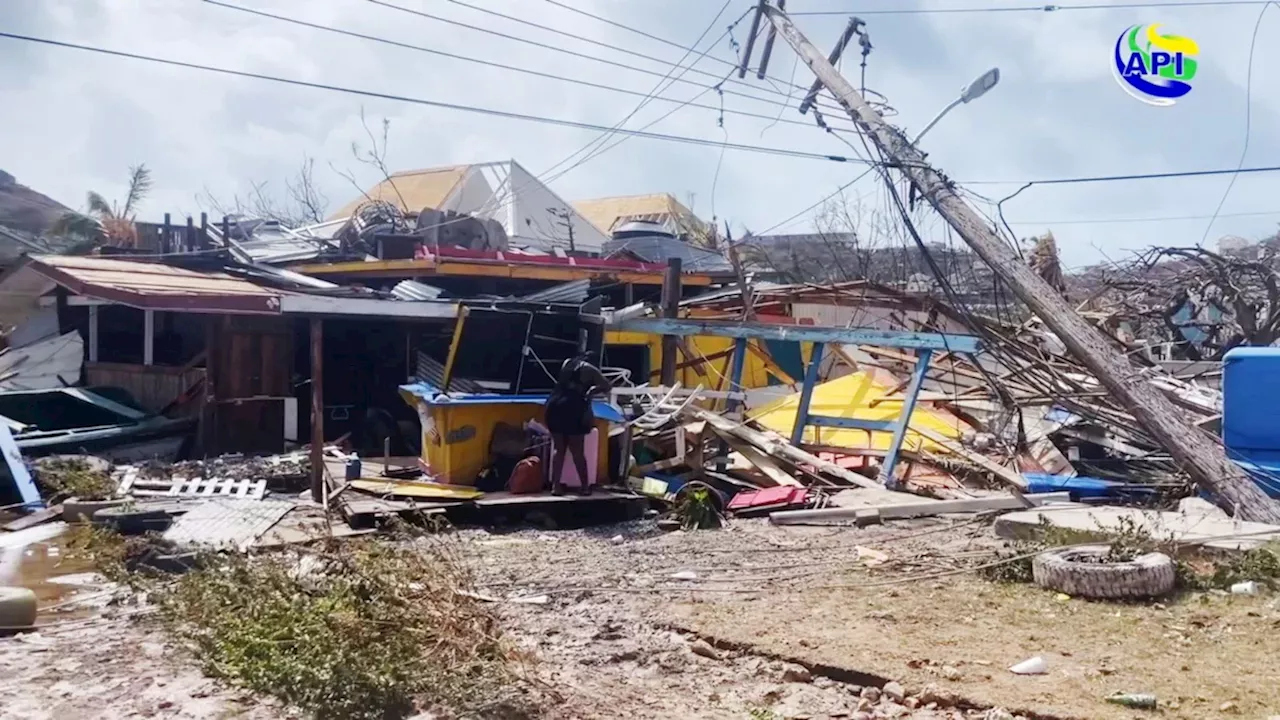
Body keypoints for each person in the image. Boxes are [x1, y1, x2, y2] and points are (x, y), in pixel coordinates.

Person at [543, 353, 611, 496]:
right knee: (577, 450)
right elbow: (606, 385)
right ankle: (585, 487)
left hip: (554, 405)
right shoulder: (591, 370)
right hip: (572, 407)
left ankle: (556, 487)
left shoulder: (567, 362)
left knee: (559, 449)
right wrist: (592, 391)